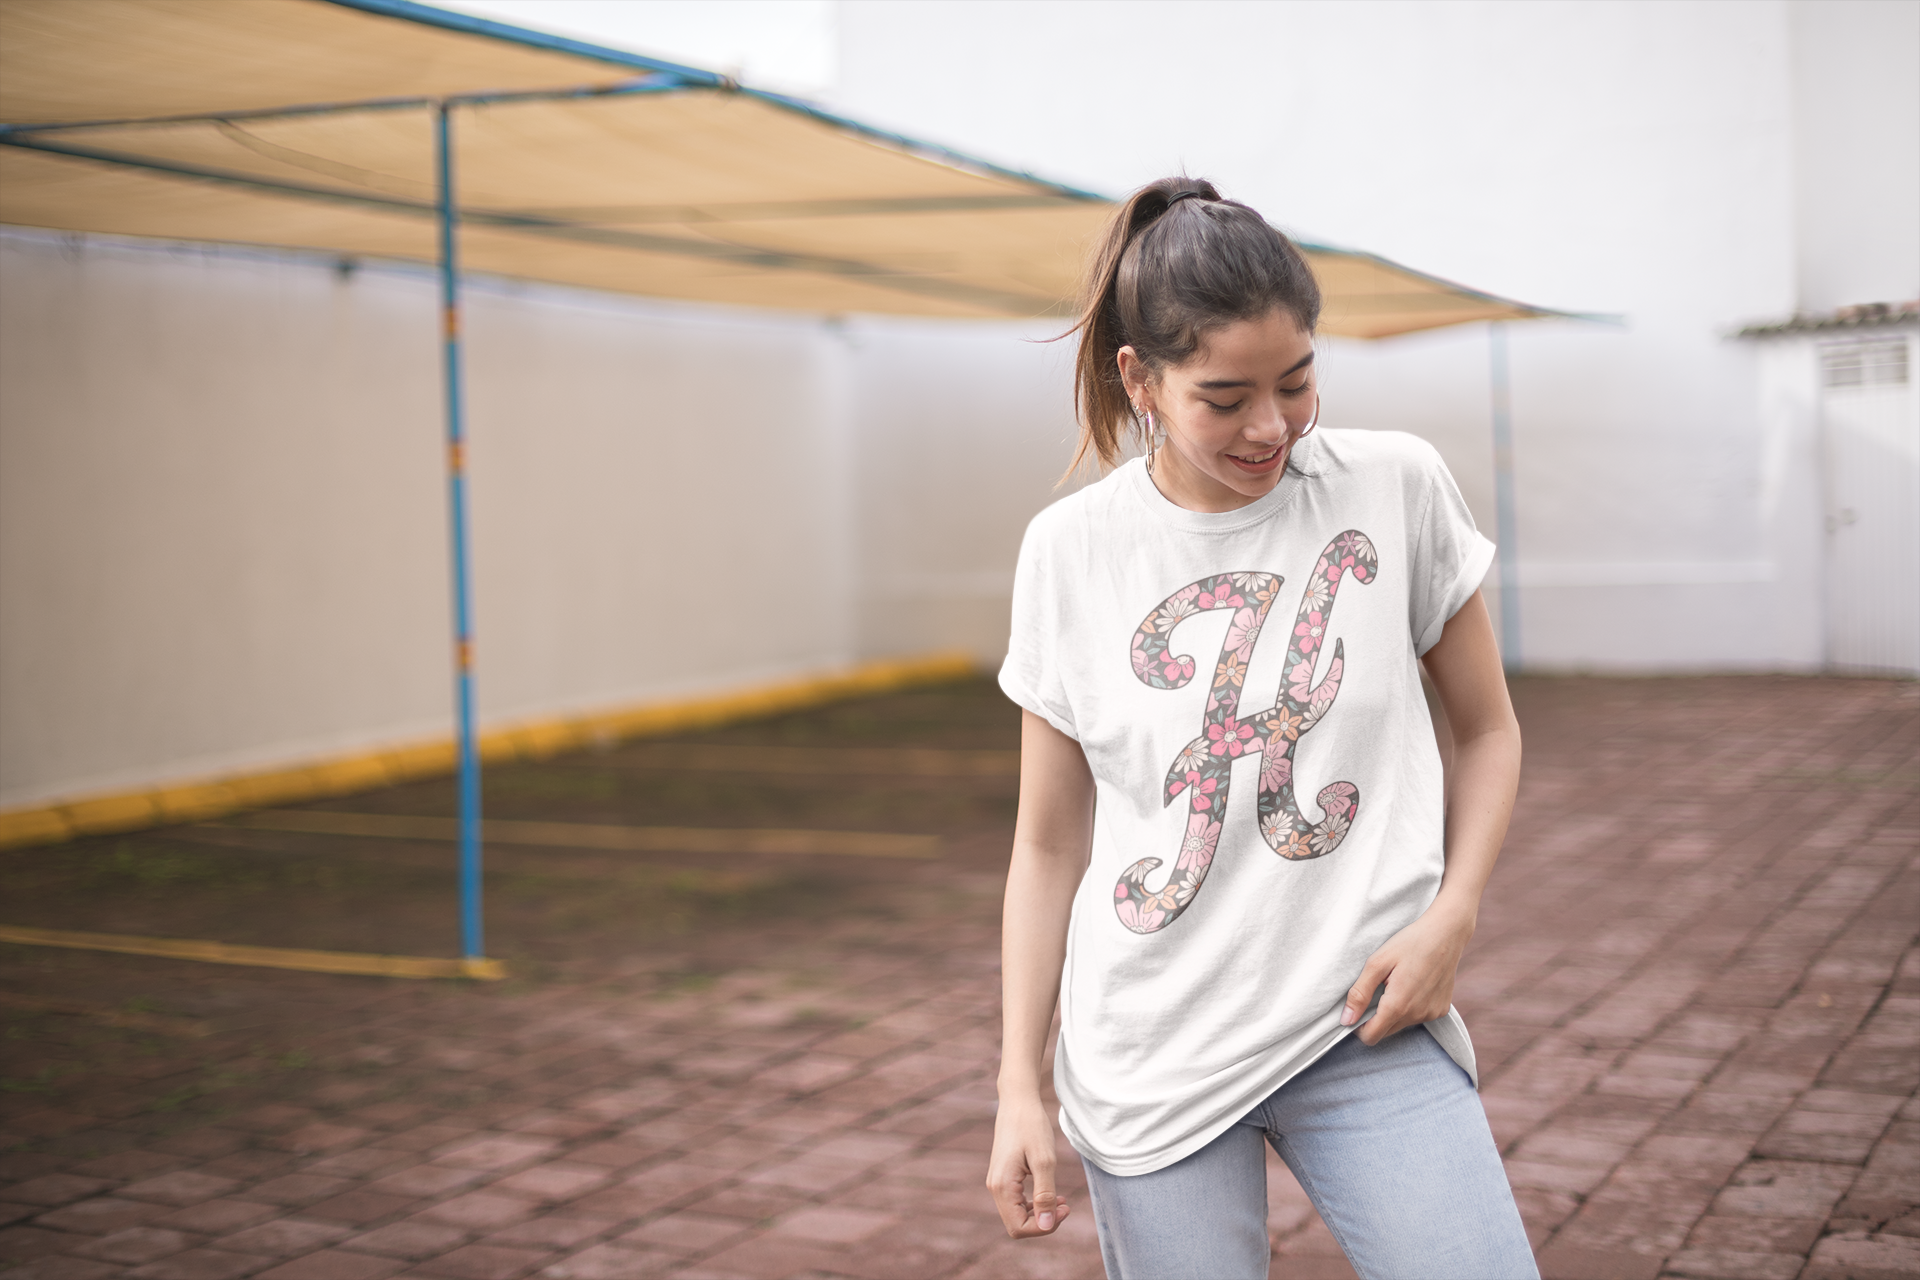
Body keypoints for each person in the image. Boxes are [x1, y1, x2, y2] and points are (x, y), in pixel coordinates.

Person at [985, 177, 1538, 1280]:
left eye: (1297, 381)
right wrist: (1018, 1086)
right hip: (1152, 1051)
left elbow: (1488, 732)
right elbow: (1048, 845)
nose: (1271, 426)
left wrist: (1454, 915)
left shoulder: (1396, 486)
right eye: (1225, 397)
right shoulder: (1070, 550)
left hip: (1365, 1019)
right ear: (1139, 378)